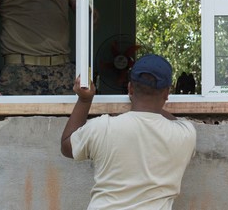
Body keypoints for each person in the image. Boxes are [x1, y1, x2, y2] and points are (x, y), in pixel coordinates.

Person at [61, 54, 197, 210]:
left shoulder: (103, 127)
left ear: (130, 88)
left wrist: (84, 100)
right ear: (167, 93)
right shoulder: (186, 134)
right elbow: (172, 120)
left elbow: (66, 145)